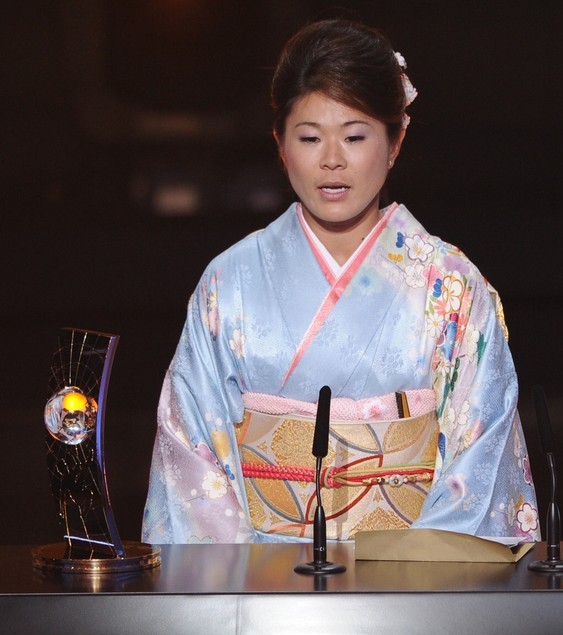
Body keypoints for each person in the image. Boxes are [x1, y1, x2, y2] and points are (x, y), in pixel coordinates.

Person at [142, 18, 540, 545]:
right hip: (261, 578)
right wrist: (246, 581)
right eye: (310, 138)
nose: (332, 160)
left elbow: (480, 454)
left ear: (395, 141)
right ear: (281, 144)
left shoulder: (450, 287)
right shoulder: (229, 282)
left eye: (354, 136)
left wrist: (416, 573)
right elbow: (190, 449)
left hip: (411, 581)